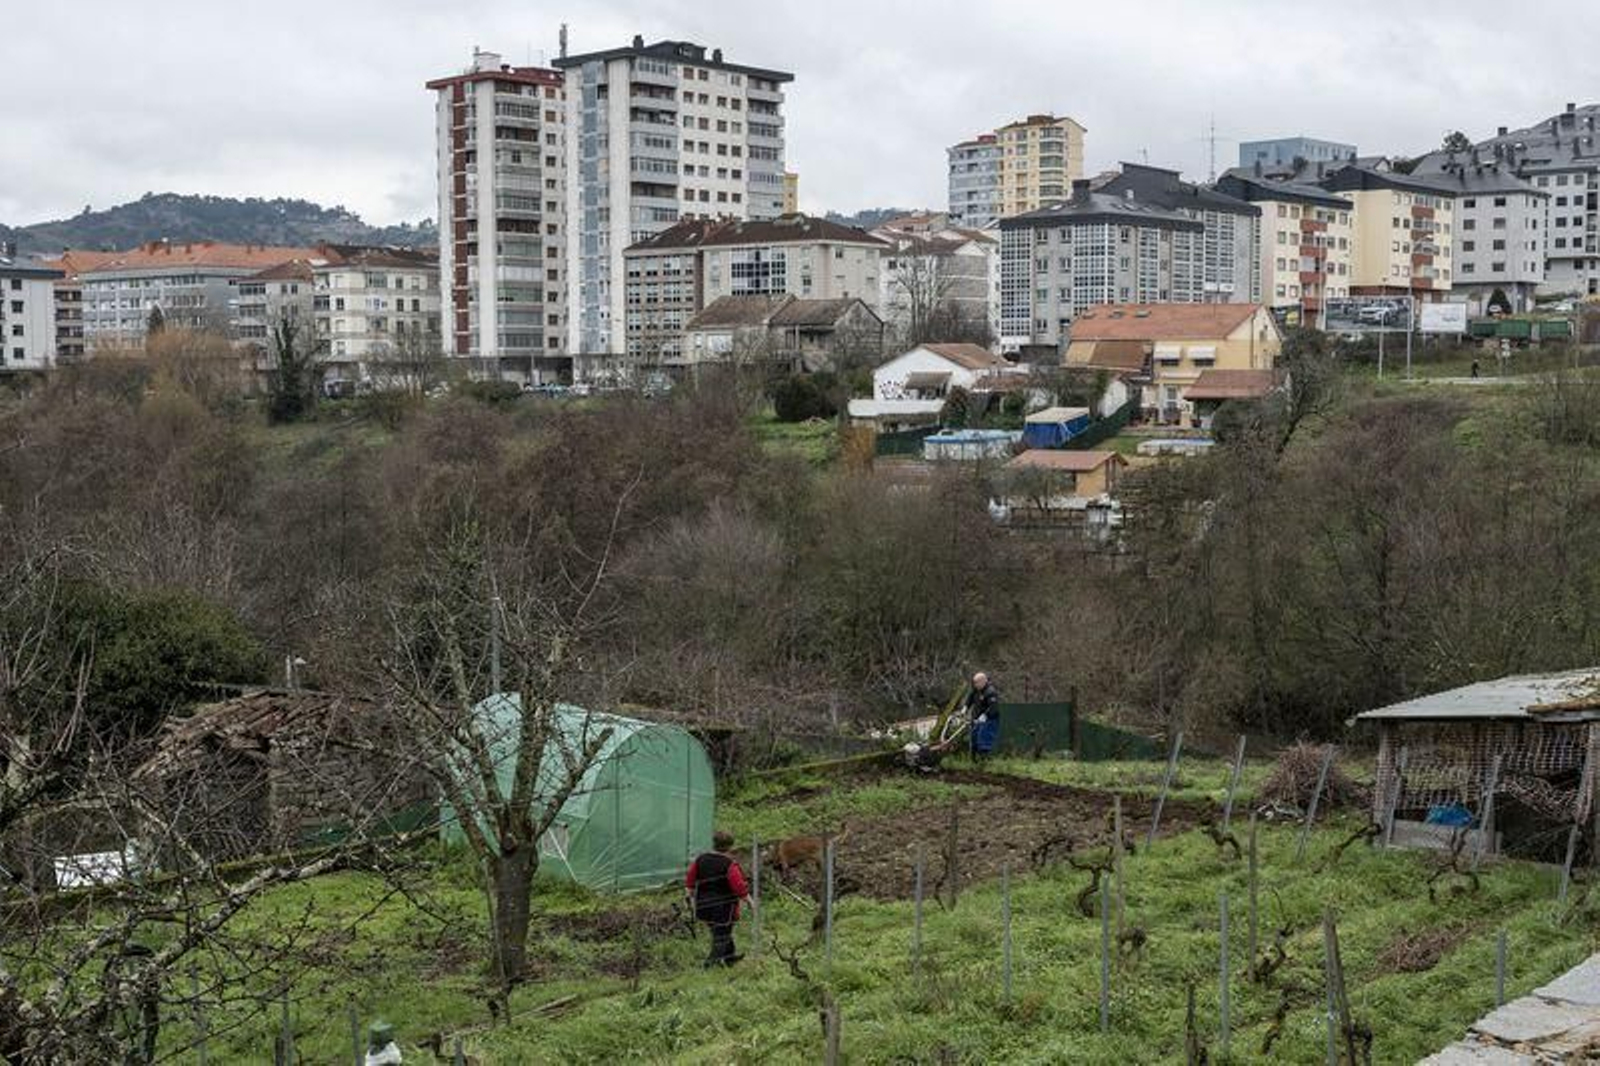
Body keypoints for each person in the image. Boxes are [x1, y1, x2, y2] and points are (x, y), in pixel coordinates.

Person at [685, 829, 752, 967]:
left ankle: (730, 957)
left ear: (713, 843)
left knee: (721, 931)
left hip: (703, 904)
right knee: (721, 936)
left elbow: (690, 881)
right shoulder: (729, 865)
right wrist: (750, 902)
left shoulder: (700, 860)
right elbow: (739, 887)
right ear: (730, 846)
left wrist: (689, 897)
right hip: (723, 908)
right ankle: (709, 965)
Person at [965, 671, 1001, 759]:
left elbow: (993, 707)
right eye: (974, 683)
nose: (975, 684)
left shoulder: (990, 692)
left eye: (976, 682)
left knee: (983, 740)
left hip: (989, 720)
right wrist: (965, 707)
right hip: (976, 718)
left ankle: (984, 761)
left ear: (983, 681)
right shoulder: (976, 690)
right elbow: (970, 698)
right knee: (973, 739)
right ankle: (973, 760)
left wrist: (985, 715)